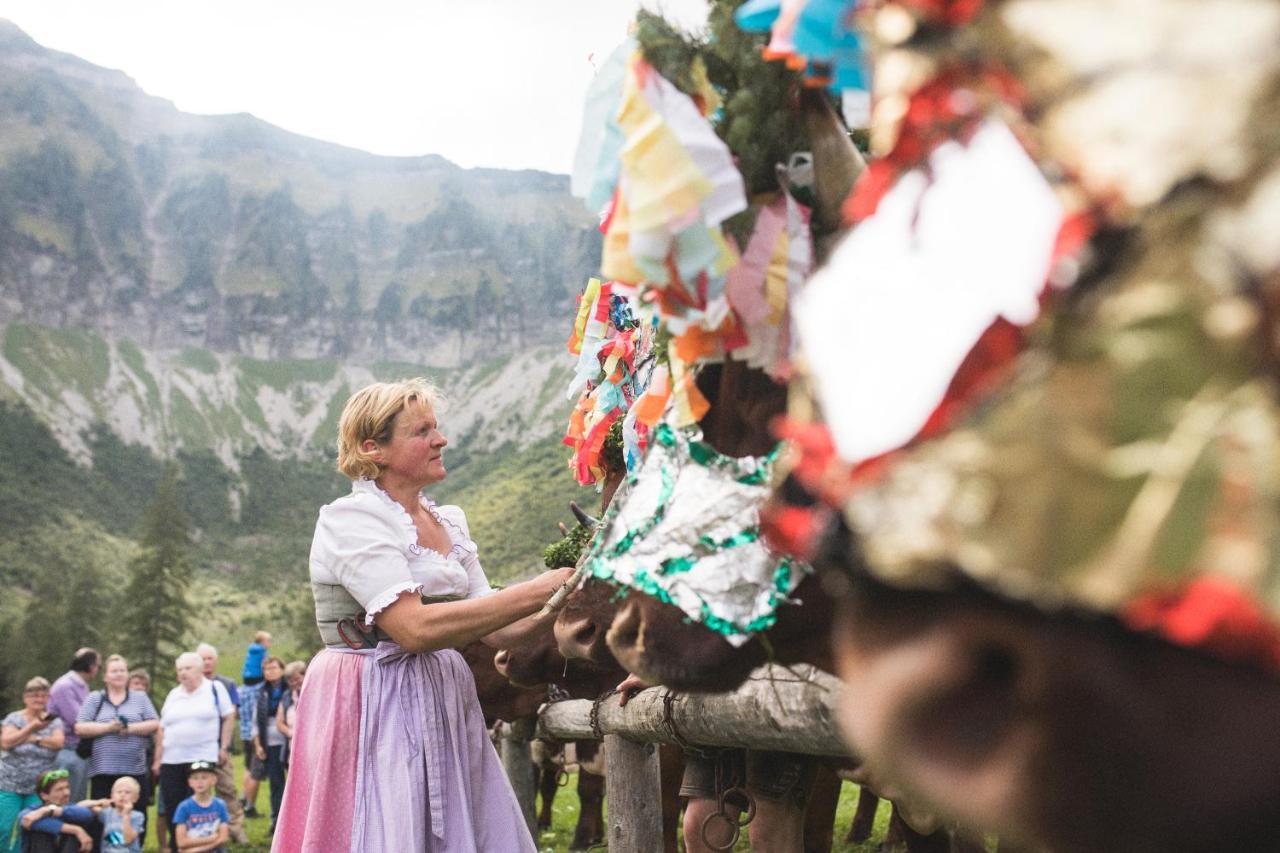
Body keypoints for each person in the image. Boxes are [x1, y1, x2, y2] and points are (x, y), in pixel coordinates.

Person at [272, 379, 575, 851]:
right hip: (370, 693)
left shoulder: (448, 521)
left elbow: (503, 630)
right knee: (381, 824)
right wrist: (537, 587)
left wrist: (572, 589)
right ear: (374, 449)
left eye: (436, 428)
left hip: (441, 690)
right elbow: (411, 629)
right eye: (422, 432)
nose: (440, 439)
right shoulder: (351, 518)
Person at [153, 653, 234, 852]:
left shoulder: (214, 689)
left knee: (198, 808)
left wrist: (223, 747)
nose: (183, 673)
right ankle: (177, 847)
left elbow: (229, 717)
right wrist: (158, 759)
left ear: (199, 670)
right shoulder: (174, 694)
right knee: (174, 810)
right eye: (179, 669)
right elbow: (162, 728)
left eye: (187, 668)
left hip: (201, 758)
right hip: (172, 760)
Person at [73, 654, 158, 843]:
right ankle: (107, 847)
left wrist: (130, 729)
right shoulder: (95, 698)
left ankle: (131, 847)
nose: (119, 674)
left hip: (134, 770)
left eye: (122, 670)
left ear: (127, 675)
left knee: (136, 814)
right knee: (102, 817)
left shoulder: (140, 698)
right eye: (114, 671)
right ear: (106, 676)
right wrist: (108, 728)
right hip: (103, 771)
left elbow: (154, 724)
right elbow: (80, 727)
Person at [0, 678, 65, 853]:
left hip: (38, 787)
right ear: (25, 697)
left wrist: (32, 739)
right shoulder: (13, 718)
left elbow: (58, 742)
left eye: (44, 696)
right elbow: (6, 742)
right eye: (34, 695)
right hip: (9, 784)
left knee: (31, 828)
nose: (39, 699)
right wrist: (32, 728)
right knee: (4, 828)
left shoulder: (54, 721)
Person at [194, 644, 245, 844]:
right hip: (197, 746)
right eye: (203, 659)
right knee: (198, 787)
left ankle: (235, 829)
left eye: (210, 658)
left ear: (215, 661)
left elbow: (232, 714)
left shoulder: (226, 683)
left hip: (220, 745)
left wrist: (224, 746)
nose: (206, 663)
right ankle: (201, 831)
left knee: (227, 788)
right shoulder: (192, 684)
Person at [47, 649, 99, 802]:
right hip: (68, 750)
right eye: (98, 666)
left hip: (80, 750)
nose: (98, 670)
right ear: (90, 666)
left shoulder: (81, 686)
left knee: (77, 800)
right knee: (65, 801)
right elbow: (78, 720)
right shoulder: (66, 686)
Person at [17, 769, 97, 853]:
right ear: (44, 796)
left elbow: (87, 815)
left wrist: (51, 810)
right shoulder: (33, 810)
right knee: (41, 833)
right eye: (59, 789)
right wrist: (76, 830)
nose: (66, 793)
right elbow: (25, 819)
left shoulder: (71, 809)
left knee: (73, 829)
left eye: (67, 788)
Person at [249, 658, 286, 834]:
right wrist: (258, 745)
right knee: (276, 784)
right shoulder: (262, 692)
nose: (270, 671)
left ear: (282, 669)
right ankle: (276, 821)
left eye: (273, 668)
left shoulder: (290, 689)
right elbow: (255, 721)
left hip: (289, 741)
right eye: (266, 669)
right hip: (270, 743)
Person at [237, 632, 269, 820]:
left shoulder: (243, 690)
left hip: (245, 732)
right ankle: (249, 806)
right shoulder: (259, 689)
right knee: (255, 771)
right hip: (256, 734)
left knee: (248, 768)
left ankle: (244, 798)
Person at [172, 762, 228, 853]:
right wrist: (211, 839)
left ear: (213, 780)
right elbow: (181, 842)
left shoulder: (220, 805)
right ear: (190, 782)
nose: (200, 782)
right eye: (195, 778)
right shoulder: (184, 807)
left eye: (204, 777)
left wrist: (194, 850)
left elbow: (223, 838)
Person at [274, 662, 306, 769]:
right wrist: (292, 733)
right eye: (290, 680)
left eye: (297, 679)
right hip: (292, 746)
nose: (294, 683)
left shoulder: (315, 692)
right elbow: (279, 722)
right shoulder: (287, 696)